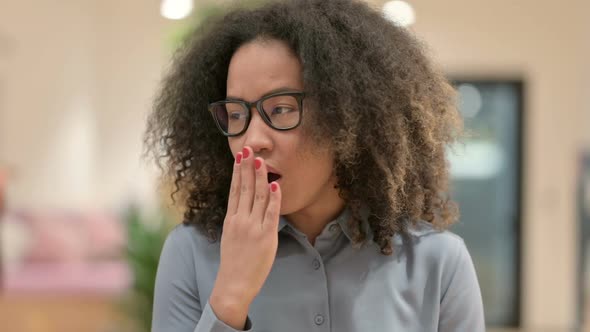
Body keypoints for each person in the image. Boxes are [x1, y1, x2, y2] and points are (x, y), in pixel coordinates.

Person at [145, 0, 485, 331]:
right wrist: (231, 295)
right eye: (236, 115)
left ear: (345, 116)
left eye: (280, 109)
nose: (252, 140)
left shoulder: (438, 263)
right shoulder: (191, 253)